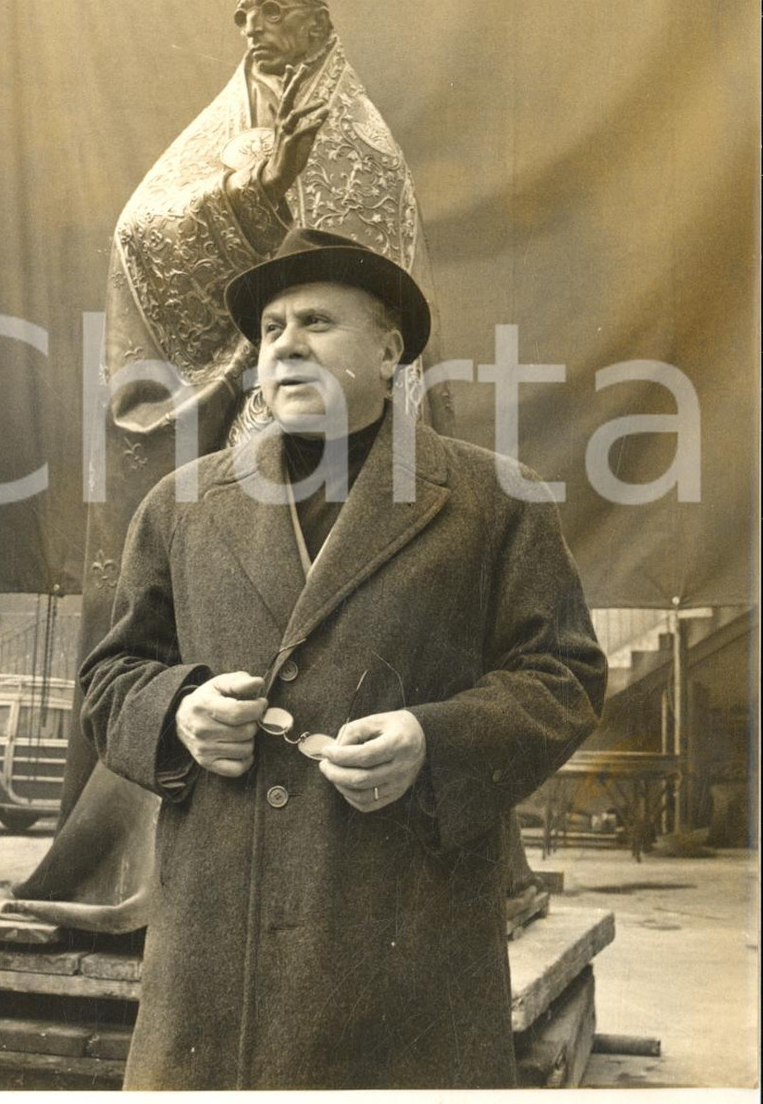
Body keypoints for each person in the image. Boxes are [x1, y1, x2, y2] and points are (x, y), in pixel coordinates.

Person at [0, 0, 452, 929]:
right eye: (248, 13)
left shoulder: (357, 141)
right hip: (236, 425)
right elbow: (146, 237)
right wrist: (230, 202)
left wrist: (278, 232)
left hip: (336, 447)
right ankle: (138, 863)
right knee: (184, 604)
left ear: (319, 14)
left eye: (283, 10)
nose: (263, 31)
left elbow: (363, 292)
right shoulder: (222, 125)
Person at [78, 226, 608, 1089]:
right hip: (218, 965)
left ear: (390, 346)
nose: (286, 343)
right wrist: (178, 709)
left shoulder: (496, 500)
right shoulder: (179, 505)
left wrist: (433, 740)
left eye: (317, 321)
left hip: (405, 955)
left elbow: (566, 676)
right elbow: (108, 679)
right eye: (272, 328)